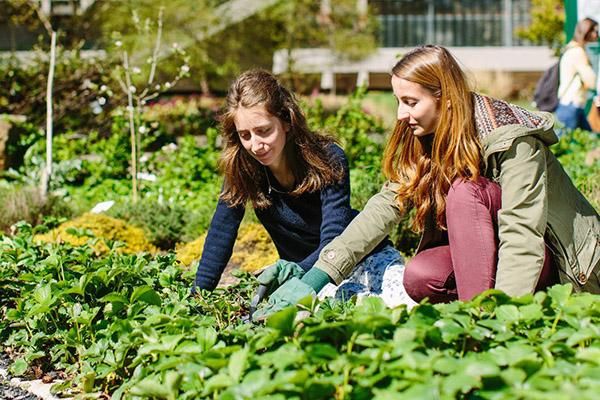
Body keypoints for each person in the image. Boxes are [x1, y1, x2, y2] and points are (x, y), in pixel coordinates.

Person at [257, 45, 600, 312]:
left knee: (466, 192)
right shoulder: (426, 137)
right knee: (422, 276)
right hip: (508, 257)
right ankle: (473, 312)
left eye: (410, 102)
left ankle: (478, 318)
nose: (400, 115)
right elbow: (383, 208)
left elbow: (522, 234)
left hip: (562, 268)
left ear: (445, 98)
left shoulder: (511, 138)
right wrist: (317, 276)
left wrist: (503, 322)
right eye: (397, 101)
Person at [192, 69, 415, 313]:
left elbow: (334, 237)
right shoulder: (242, 169)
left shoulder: (327, 158)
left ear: (286, 121)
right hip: (304, 280)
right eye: (245, 135)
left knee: (402, 309)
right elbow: (221, 233)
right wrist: (197, 298)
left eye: (264, 130)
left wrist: (303, 272)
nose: (255, 145)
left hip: (361, 261)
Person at [556, 17, 598, 132]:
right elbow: (591, 81)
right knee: (568, 145)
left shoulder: (572, 49)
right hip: (571, 105)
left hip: (571, 104)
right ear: (586, 31)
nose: (596, 35)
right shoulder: (577, 52)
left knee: (589, 142)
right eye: (594, 31)